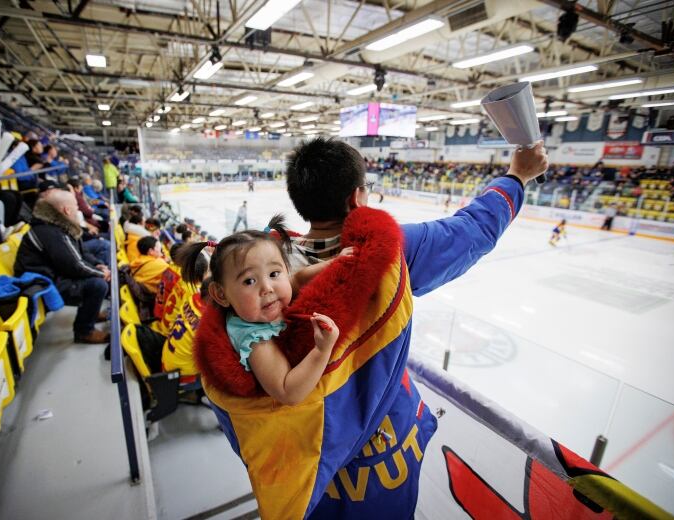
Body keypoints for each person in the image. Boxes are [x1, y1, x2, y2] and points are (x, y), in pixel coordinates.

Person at [197, 137, 548, 518]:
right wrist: (516, 176)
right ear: (357, 199)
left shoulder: (256, 274)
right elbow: (472, 229)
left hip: (301, 468)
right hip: (384, 458)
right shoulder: (391, 253)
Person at [178, 215, 350, 405]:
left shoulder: (262, 304)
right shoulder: (255, 340)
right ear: (221, 294)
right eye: (249, 281)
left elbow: (298, 279)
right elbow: (288, 392)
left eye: (274, 273)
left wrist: (335, 262)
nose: (267, 287)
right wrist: (322, 350)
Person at [14, 190, 110, 343]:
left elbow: (81, 253)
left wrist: (98, 265)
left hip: (55, 274)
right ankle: (84, 331)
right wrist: (100, 274)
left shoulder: (58, 226)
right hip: (44, 281)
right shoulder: (50, 232)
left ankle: (91, 313)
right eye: (76, 206)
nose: (78, 209)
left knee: (97, 277)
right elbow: (73, 265)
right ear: (66, 210)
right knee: (98, 285)